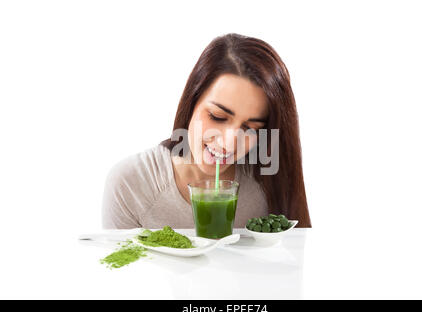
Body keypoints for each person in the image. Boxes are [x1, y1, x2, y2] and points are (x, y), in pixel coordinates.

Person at [102, 33, 311, 229]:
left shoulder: (267, 183)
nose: (229, 143)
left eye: (250, 128)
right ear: (192, 102)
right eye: (217, 117)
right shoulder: (130, 184)